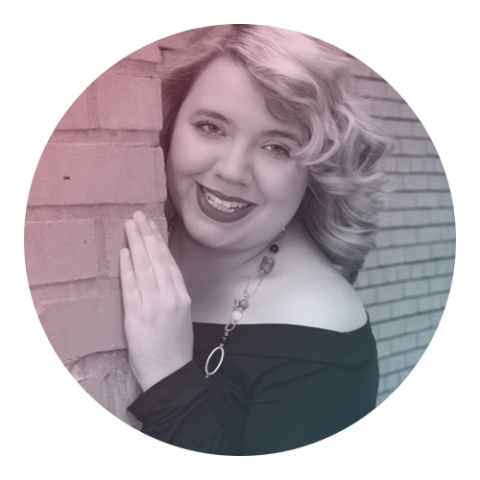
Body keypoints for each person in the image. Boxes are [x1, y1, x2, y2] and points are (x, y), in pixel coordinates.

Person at [123, 24, 397, 455]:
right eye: (211, 127)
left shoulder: (319, 331)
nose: (232, 170)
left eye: (277, 147)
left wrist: (168, 375)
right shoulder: (132, 233)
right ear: (170, 125)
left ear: (315, 170)